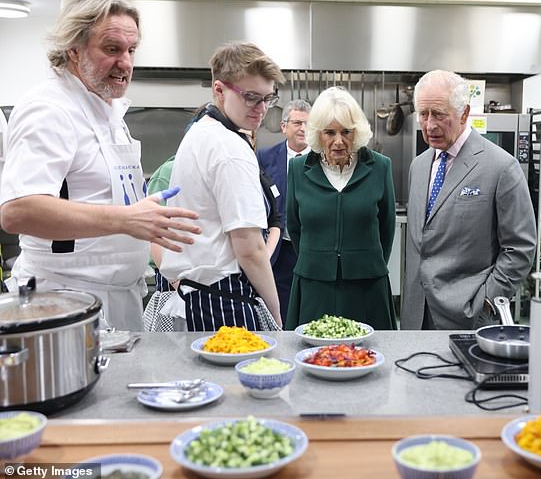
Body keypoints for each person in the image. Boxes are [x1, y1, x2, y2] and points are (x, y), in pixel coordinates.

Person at [0, 0, 200, 331]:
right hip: (65, 303)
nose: (125, 62)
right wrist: (126, 219)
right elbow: (18, 210)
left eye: (131, 50)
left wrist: (142, 212)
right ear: (73, 50)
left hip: (115, 300)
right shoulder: (50, 109)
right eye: (111, 49)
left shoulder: (106, 110)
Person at [160, 42, 284, 331]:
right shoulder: (229, 149)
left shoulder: (200, 133)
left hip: (198, 296)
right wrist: (277, 317)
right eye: (251, 97)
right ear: (219, 90)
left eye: (269, 98)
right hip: (223, 301)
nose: (262, 109)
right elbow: (250, 249)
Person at [401, 70, 536, 330]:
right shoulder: (418, 166)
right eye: (423, 114)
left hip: (467, 316)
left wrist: (486, 301)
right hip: (416, 314)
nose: (429, 126)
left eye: (439, 114)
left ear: (464, 113)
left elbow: (520, 249)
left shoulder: (501, 167)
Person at [284, 86, 397, 330]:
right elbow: (294, 226)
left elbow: (387, 228)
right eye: (329, 132)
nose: (338, 141)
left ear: (357, 132)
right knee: (311, 355)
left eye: (346, 132)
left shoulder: (379, 167)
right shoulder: (298, 170)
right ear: (317, 133)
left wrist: (365, 261)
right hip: (314, 284)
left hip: (367, 286)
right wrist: (318, 256)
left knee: (369, 356)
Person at [257, 99, 311, 323]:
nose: (303, 129)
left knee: (309, 310)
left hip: (310, 247)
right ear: (283, 127)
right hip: (279, 249)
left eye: (308, 124)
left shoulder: (322, 158)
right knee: (281, 311)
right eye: (297, 123)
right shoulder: (264, 157)